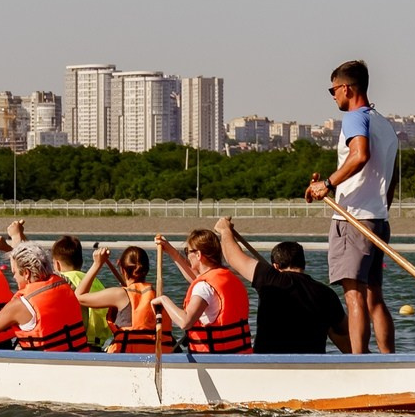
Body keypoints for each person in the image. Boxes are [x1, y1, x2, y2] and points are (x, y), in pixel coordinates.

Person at [305, 58, 399, 353]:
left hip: (353, 220)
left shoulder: (356, 118)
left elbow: (360, 155)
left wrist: (328, 184)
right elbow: (392, 176)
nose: (333, 97)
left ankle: (359, 362)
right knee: (375, 298)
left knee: (354, 297)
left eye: (332, 91)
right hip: (377, 220)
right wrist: (381, 210)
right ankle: (387, 359)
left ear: (346, 88)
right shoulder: (384, 124)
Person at [213, 215, 347, 354]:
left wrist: (224, 230)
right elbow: (344, 330)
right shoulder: (327, 293)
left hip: (269, 362)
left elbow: (232, 256)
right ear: (303, 263)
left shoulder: (270, 278)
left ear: (275, 266)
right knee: (332, 326)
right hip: (311, 365)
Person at [0, 241, 90, 350]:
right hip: (77, 354)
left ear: (26, 273)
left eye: (14, 272)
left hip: (45, 365)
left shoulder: (21, 305)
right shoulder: (64, 285)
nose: (14, 277)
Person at [152, 228, 251, 355]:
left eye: (187, 251)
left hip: (214, 359)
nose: (187, 255)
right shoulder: (227, 277)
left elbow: (185, 322)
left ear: (198, 255)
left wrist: (163, 300)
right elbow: (195, 277)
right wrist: (170, 250)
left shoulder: (204, 287)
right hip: (239, 354)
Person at [76, 244, 171, 354]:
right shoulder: (158, 295)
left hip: (129, 357)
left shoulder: (120, 294)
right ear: (146, 269)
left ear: (122, 270)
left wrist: (97, 264)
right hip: (159, 355)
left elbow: (79, 296)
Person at [50, 234, 111, 349]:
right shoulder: (95, 280)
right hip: (101, 342)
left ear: (57, 264)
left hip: (79, 342)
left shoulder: (61, 280)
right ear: (81, 262)